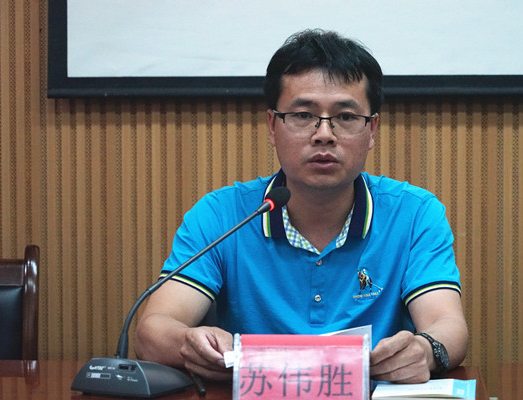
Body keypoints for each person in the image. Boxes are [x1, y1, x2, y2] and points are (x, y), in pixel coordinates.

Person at [135, 29, 468, 384]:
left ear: (372, 130)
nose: (324, 134)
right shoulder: (221, 215)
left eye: (346, 117)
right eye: (303, 115)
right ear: (272, 126)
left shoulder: (415, 214)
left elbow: (448, 324)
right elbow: (152, 331)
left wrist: (426, 350)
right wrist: (190, 342)